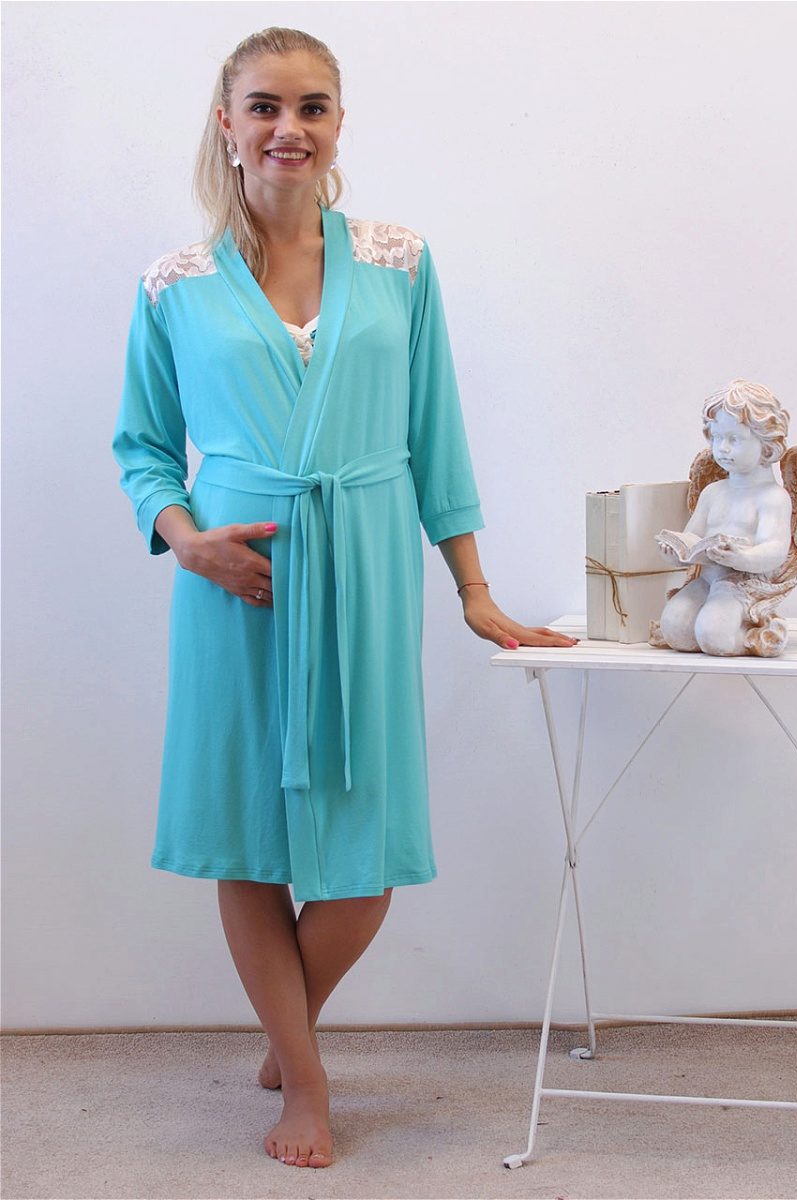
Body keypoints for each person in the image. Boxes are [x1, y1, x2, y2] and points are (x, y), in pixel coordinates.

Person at [112, 26, 577, 1171]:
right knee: (248, 839)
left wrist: (473, 586)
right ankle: (305, 1080)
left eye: (312, 107)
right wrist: (188, 543)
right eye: (265, 106)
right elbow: (143, 450)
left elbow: (434, 432)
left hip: (366, 564)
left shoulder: (399, 263)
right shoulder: (173, 286)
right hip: (239, 585)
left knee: (366, 856)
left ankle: (288, 1030)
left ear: (337, 123)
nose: (289, 128)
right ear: (227, 122)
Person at [655, 380, 793, 655]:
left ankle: (760, 634)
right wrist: (677, 552)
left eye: (734, 439)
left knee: (714, 636)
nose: (722, 448)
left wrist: (741, 557)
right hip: (706, 578)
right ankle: (715, 622)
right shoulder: (713, 492)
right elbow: (692, 537)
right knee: (675, 629)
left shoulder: (772, 497)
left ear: (767, 444)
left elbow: (776, 550)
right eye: (717, 438)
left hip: (743, 583)